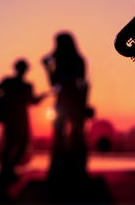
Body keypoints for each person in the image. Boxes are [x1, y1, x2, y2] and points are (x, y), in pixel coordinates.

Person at [43, 32, 91, 191]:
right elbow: (83, 83)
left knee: (64, 135)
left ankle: (62, 170)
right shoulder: (78, 60)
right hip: (73, 100)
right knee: (75, 134)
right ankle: (76, 169)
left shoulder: (64, 61)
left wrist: (48, 67)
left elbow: (54, 83)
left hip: (65, 100)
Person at [0, 59, 46, 184]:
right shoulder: (18, 84)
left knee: (14, 145)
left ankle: (7, 171)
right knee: (16, 145)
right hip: (16, 119)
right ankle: (6, 172)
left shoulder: (11, 83)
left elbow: (32, 101)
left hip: (13, 119)